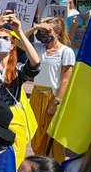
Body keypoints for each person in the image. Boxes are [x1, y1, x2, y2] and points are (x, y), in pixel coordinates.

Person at [28, 18, 75, 160]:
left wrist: (56, 103)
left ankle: (54, 169)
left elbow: (65, 80)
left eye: (47, 31)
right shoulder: (39, 48)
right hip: (36, 95)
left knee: (51, 138)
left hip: (52, 96)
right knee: (36, 135)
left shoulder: (66, 52)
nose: (44, 34)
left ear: (58, 32)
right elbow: (17, 41)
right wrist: (35, 28)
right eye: (42, 31)